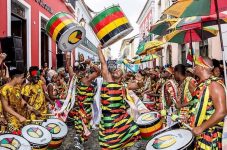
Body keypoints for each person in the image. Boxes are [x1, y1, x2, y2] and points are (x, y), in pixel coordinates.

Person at [97, 44, 141, 150]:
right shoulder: (108, 80)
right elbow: (103, 63)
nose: (116, 71)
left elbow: (136, 86)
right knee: (111, 144)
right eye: (116, 70)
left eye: (119, 71)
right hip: (108, 119)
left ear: (121, 77)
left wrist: (140, 81)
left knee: (134, 131)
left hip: (121, 117)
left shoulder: (123, 86)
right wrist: (99, 49)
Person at [191, 56, 227, 149]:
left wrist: (201, 128)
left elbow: (221, 112)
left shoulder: (214, 85)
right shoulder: (204, 83)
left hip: (210, 137)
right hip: (200, 134)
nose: (194, 67)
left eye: (196, 65)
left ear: (202, 67)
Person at [66, 54, 101, 143]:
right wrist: (91, 63)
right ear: (85, 70)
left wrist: (68, 58)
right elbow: (98, 72)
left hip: (78, 108)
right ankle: (80, 141)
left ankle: (79, 139)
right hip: (84, 109)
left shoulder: (74, 77)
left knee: (79, 125)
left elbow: (69, 68)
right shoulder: (87, 79)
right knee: (84, 125)